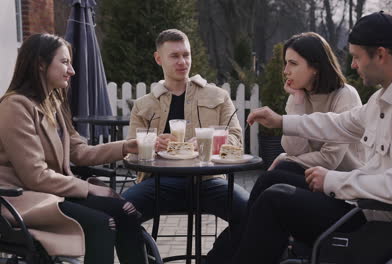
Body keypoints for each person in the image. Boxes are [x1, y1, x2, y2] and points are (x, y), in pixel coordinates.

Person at [232, 11, 392, 264]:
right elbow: (341, 123)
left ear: (381, 54)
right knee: (276, 187)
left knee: (275, 200)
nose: (352, 65)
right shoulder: (391, 96)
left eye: (356, 57)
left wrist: (334, 180)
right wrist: (282, 121)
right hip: (377, 215)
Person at [0, 33, 148, 264]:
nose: (72, 71)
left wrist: (126, 146)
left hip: (52, 192)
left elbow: (79, 152)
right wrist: (88, 188)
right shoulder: (15, 107)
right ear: (41, 63)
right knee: (102, 223)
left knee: (126, 211)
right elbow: (35, 176)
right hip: (22, 200)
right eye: (65, 62)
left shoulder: (52, 104)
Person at [122, 28, 249, 263]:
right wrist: (151, 145)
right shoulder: (143, 105)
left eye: (186, 55)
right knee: (119, 212)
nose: (183, 62)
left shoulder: (218, 96)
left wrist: (207, 143)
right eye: (174, 56)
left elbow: (236, 141)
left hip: (208, 181)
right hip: (159, 184)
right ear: (158, 59)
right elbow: (130, 157)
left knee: (253, 213)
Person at [248, 32, 364, 213]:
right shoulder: (299, 95)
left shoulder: (345, 96)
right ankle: (238, 237)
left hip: (343, 189)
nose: (286, 71)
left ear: (315, 67)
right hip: (313, 179)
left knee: (272, 178)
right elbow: (295, 150)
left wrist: (286, 158)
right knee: (274, 180)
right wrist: (298, 101)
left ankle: (239, 236)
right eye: (285, 63)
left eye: (293, 63)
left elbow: (330, 160)